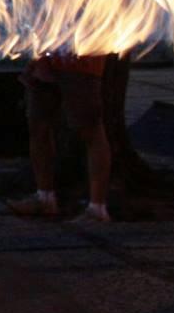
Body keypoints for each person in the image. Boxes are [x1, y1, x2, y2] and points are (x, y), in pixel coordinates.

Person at [8, 53, 113, 223]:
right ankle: (45, 198)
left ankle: (97, 207)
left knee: (90, 128)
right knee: (37, 125)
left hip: (81, 59)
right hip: (44, 58)